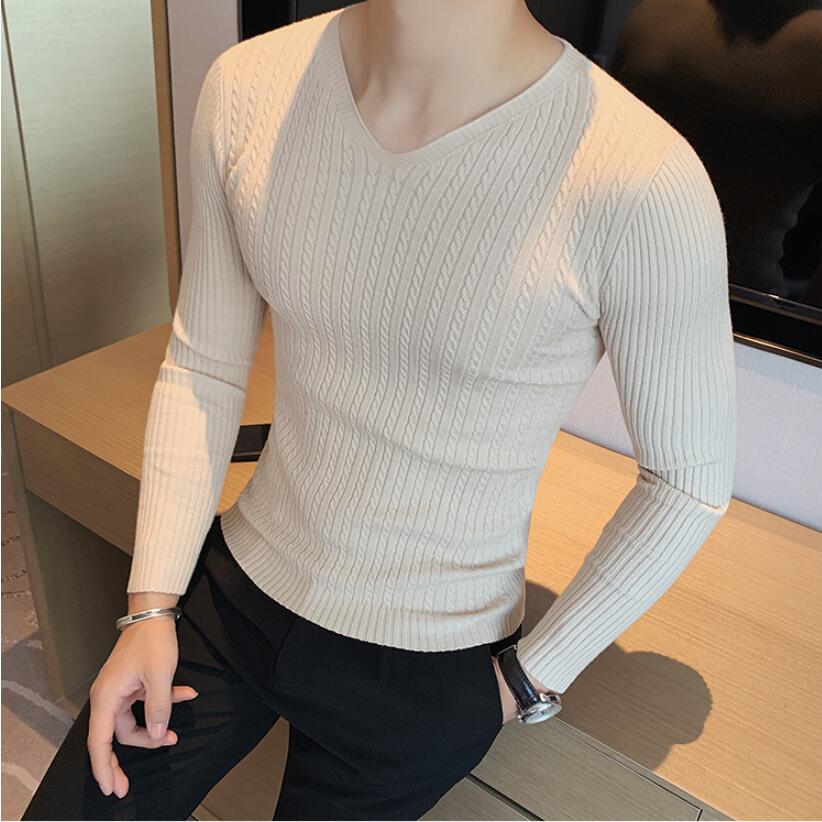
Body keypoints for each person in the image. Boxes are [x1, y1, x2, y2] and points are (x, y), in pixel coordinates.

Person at [22, 1, 737, 819]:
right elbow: (202, 365)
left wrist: (524, 682)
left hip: (426, 666)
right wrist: (148, 605)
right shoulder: (248, 87)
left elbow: (686, 482)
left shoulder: (642, 178)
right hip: (240, 584)